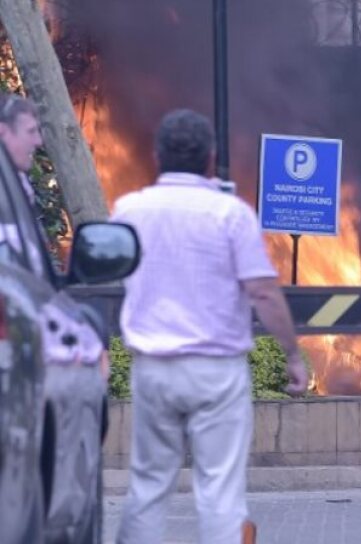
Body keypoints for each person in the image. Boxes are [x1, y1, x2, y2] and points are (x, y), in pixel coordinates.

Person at [113, 109, 308, 544]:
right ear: (210, 158)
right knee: (220, 492)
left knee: (148, 488)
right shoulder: (230, 215)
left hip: (153, 368)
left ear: (157, 155)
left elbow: (110, 277)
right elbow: (262, 291)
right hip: (217, 372)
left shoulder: (129, 210)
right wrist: (293, 355)